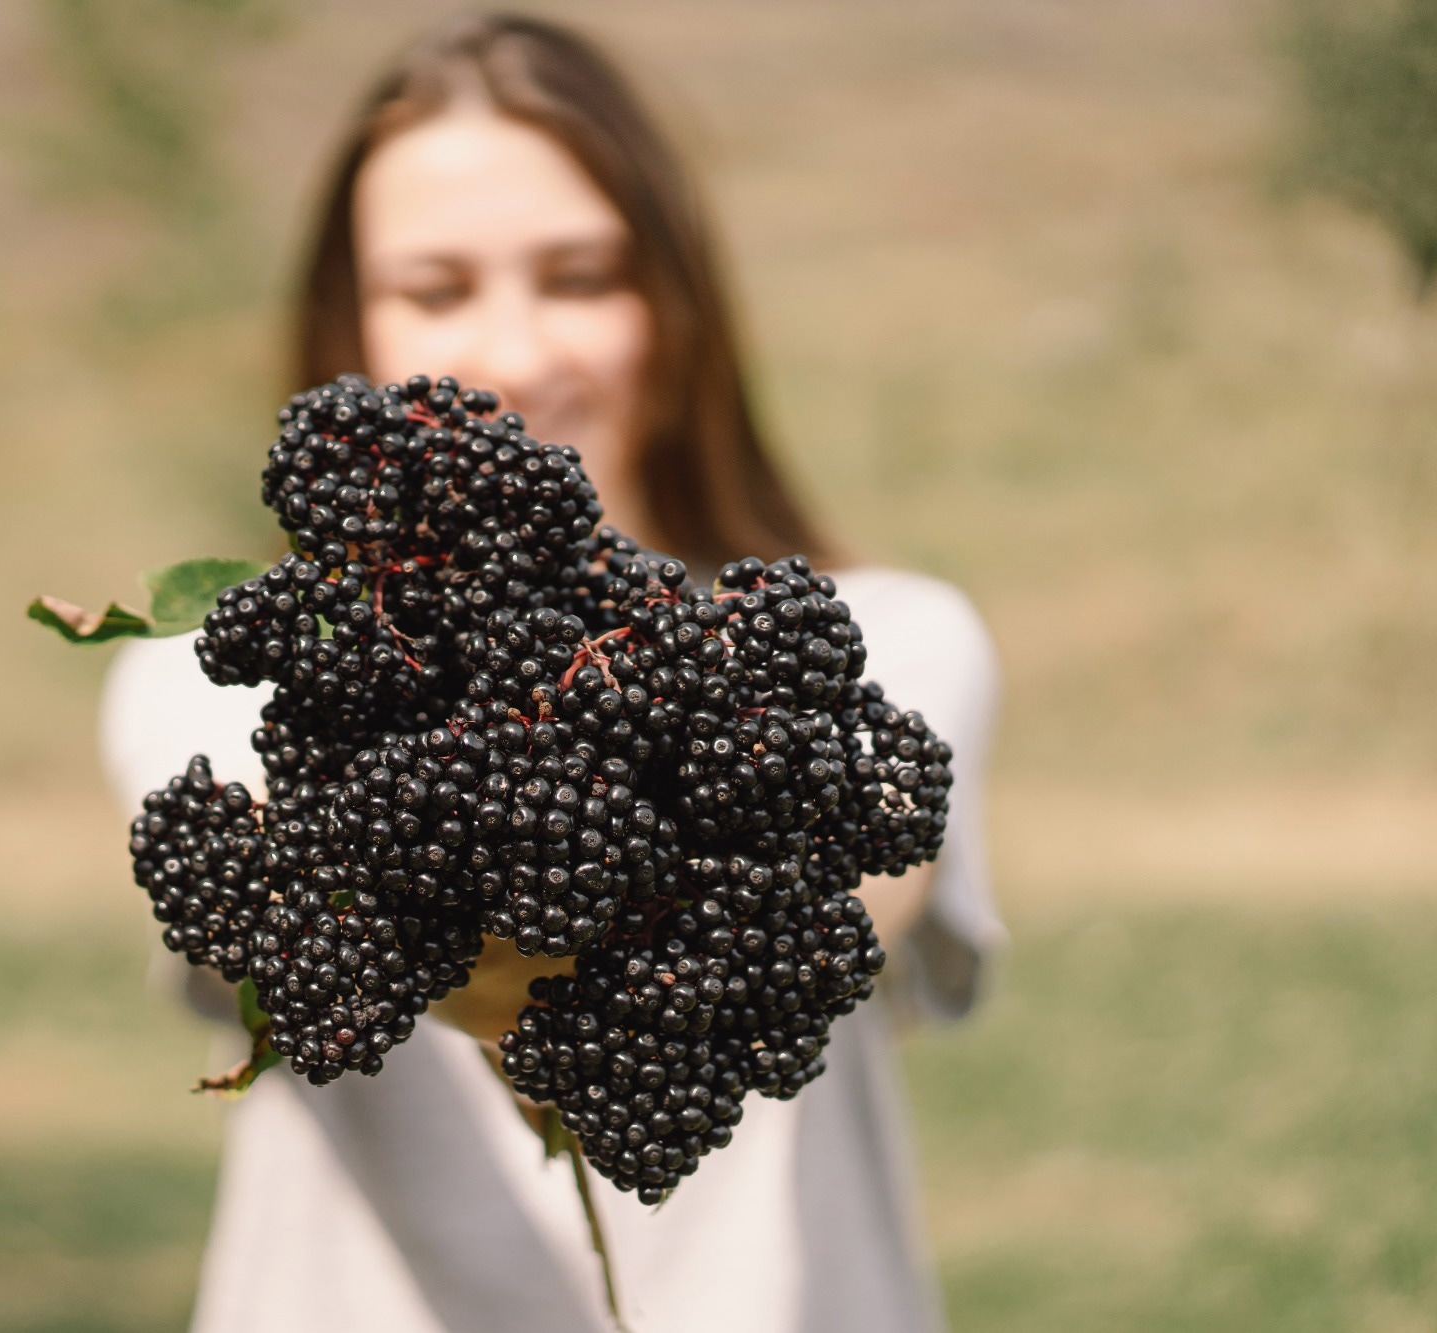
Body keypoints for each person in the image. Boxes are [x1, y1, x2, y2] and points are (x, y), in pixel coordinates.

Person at [100, 15, 1001, 1333]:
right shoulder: (207, 676)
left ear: (680, 308)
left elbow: (846, 901)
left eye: (580, 277)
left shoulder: (889, 635)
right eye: (436, 288)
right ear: (349, 325)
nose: (516, 357)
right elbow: (283, 906)